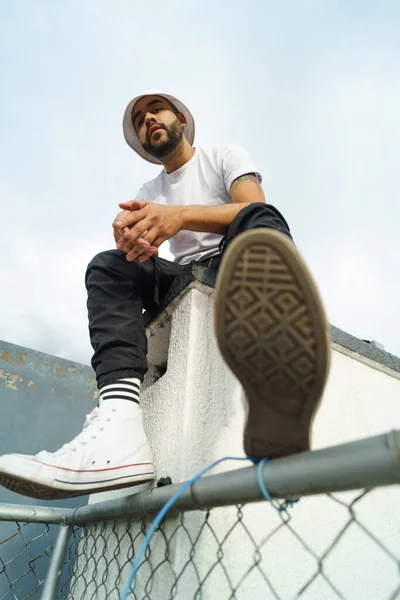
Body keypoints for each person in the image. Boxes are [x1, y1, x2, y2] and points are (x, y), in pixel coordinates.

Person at [0, 92, 330, 500]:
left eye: (155, 109)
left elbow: (252, 206)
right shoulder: (149, 189)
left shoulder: (223, 155)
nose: (148, 120)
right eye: (139, 120)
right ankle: (119, 427)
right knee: (108, 265)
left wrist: (177, 216)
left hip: (233, 259)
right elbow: (143, 249)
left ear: (180, 118)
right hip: (182, 278)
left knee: (263, 219)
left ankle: (275, 377)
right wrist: (131, 241)